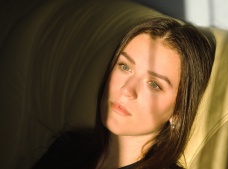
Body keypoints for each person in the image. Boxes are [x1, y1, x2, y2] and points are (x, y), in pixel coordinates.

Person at [32, 17, 215, 169]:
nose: (127, 89)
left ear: (178, 111)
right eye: (125, 67)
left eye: (154, 84)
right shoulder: (67, 148)